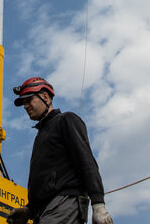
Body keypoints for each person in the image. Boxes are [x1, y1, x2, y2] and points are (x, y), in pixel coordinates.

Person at [6, 77, 113, 224]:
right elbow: (46, 182)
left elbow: (86, 161)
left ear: (45, 97)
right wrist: (29, 210)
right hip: (45, 211)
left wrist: (98, 203)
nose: (25, 106)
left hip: (65, 202)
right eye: (23, 103)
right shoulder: (41, 135)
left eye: (29, 100)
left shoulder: (66, 120)